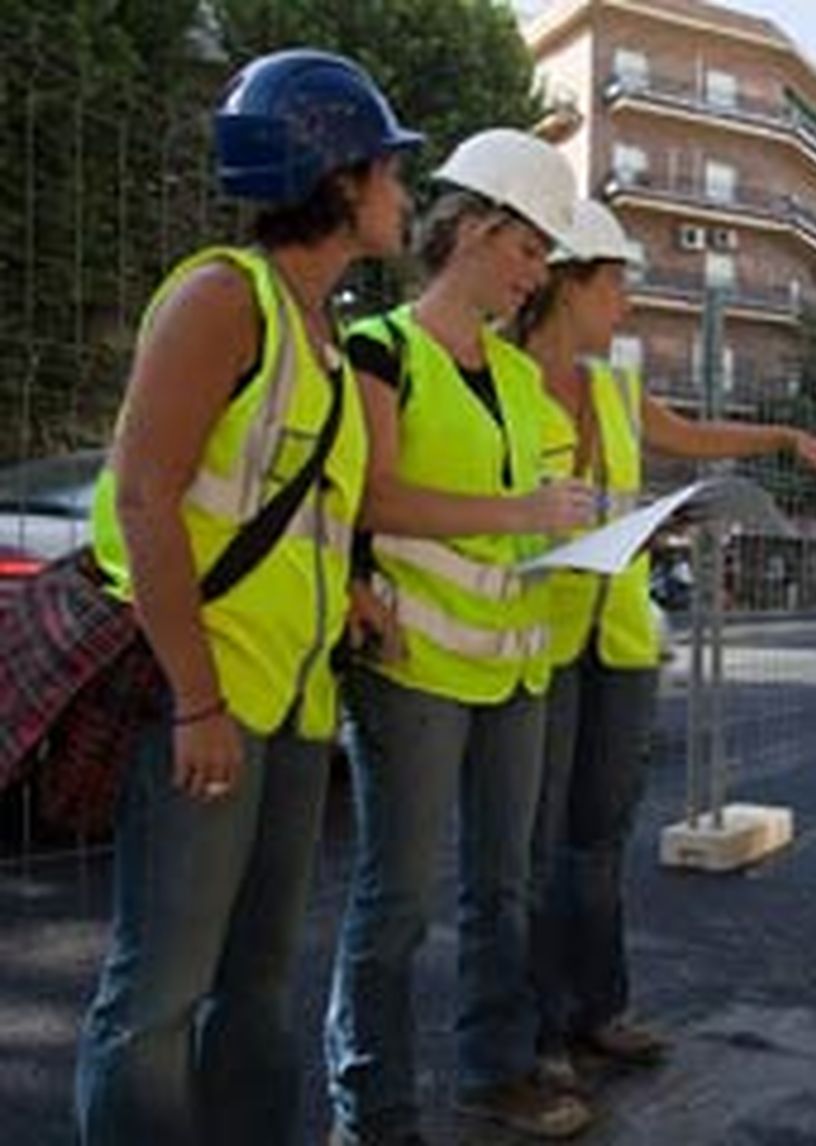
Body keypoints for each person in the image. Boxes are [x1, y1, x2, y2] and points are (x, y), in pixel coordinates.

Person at [73, 50, 421, 1146]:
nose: (404, 196)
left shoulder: (320, 334)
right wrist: (196, 701)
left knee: (258, 983)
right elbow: (145, 497)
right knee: (159, 998)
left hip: (288, 702)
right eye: (391, 172)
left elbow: (291, 513)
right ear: (338, 176)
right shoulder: (224, 297)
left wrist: (350, 599)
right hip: (209, 701)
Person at [515, 201, 816, 1087]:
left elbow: (692, 440)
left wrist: (781, 437)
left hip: (617, 639)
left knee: (598, 838)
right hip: (533, 639)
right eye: (615, 281)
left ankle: (601, 1011)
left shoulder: (616, 390)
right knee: (538, 846)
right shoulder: (499, 381)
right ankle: (539, 1034)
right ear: (566, 283)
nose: (627, 299)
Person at [322, 130, 596, 1145]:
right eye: (529, 251)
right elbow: (377, 495)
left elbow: (539, 506)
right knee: (393, 905)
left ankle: (494, 1072)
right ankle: (373, 1114)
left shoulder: (522, 383)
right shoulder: (381, 348)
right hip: (414, 667)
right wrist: (528, 514)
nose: (537, 276)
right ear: (475, 230)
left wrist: (604, 526)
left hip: (513, 662)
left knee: (500, 890)